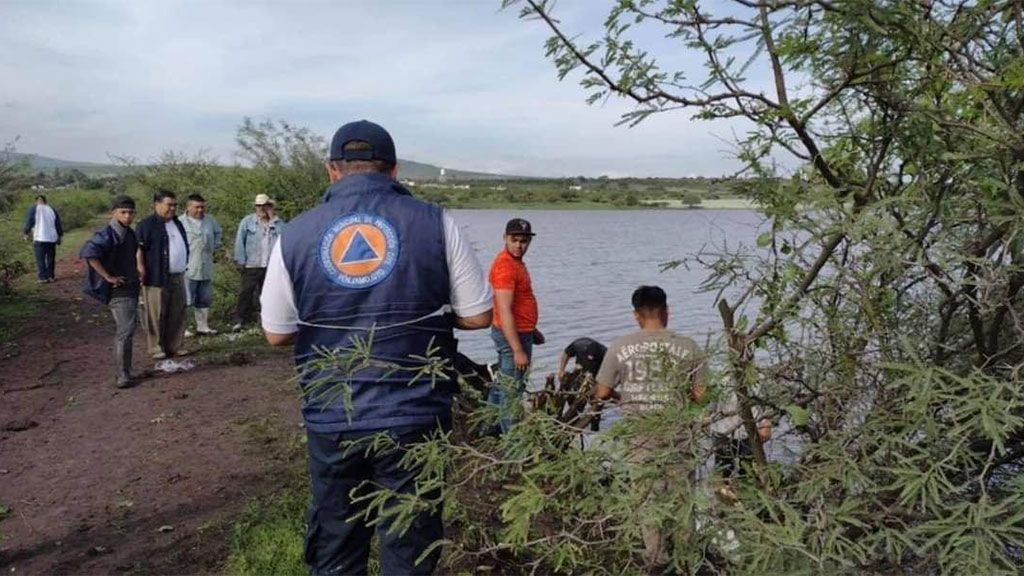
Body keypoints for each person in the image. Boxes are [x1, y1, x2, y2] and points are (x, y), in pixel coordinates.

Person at [260, 119, 492, 575]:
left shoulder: (295, 234)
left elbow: (275, 332)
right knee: (410, 548)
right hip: (415, 414)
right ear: (394, 169)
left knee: (337, 545)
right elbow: (479, 316)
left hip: (334, 415)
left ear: (331, 170)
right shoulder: (437, 221)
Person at [593, 285, 707, 570]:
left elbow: (602, 392)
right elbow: (703, 396)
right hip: (679, 436)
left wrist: (626, 397)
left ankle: (655, 560)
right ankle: (685, 559)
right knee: (683, 500)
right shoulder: (688, 346)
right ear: (666, 311)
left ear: (636, 315)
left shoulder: (621, 346)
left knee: (648, 500)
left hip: (640, 438)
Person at [487, 218, 544, 433]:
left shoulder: (515, 263)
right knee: (512, 393)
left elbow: (519, 304)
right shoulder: (505, 267)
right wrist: (518, 349)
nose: (519, 245)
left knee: (503, 385)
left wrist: (532, 329)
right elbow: (504, 309)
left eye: (524, 240)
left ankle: (489, 431)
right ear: (505, 239)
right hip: (513, 337)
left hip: (520, 331)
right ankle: (513, 449)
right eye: (514, 240)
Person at [80, 195, 141, 388]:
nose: (127, 216)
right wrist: (108, 277)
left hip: (130, 285)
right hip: (118, 289)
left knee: (129, 329)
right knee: (125, 330)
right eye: (123, 212)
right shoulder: (107, 234)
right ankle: (122, 374)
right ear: (113, 212)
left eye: (131, 212)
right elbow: (89, 254)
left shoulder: (128, 233)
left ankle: (128, 370)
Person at [135, 189, 190, 360]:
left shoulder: (177, 222)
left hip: (178, 275)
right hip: (156, 276)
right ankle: (156, 347)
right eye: (169, 205)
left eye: (175, 205)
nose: (173, 208)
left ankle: (174, 345)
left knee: (177, 311)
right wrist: (140, 269)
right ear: (157, 204)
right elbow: (139, 249)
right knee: (156, 313)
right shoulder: (146, 225)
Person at [232, 194, 283, 331]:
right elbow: (239, 241)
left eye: (264, 205)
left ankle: (267, 322)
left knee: (267, 294)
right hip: (252, 264)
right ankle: (240, 320)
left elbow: (283, 238)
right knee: (246, 293)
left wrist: (273, 219)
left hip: (270, 265)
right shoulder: (247, 221)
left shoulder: (278, 223)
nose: (261, 208)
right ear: (255, 206)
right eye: (259, 205)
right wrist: (240, 260)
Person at [181, 193, 223, 336]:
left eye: (202, 207)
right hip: (188, 267)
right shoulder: (180, 222)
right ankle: (183, 328)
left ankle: (203, 326)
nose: (200, 210)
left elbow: (218, 234)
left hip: (206, 266)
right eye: (196, 207)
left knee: (204, 298)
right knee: (186, 299)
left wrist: (216, 247)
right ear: (188, 207)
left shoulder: (210, 221)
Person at [23, 195, 64, 283]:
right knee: (51, 258)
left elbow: (29, 221)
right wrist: (59, 236)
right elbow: (58, 223)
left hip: (39, 237)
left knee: (40, 258)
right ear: (45, 201)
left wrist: (26, 233)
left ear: (37, 201)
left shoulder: (34, 208)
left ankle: (42, 277)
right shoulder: (52, 209)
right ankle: (51, 276)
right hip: (52, 238)